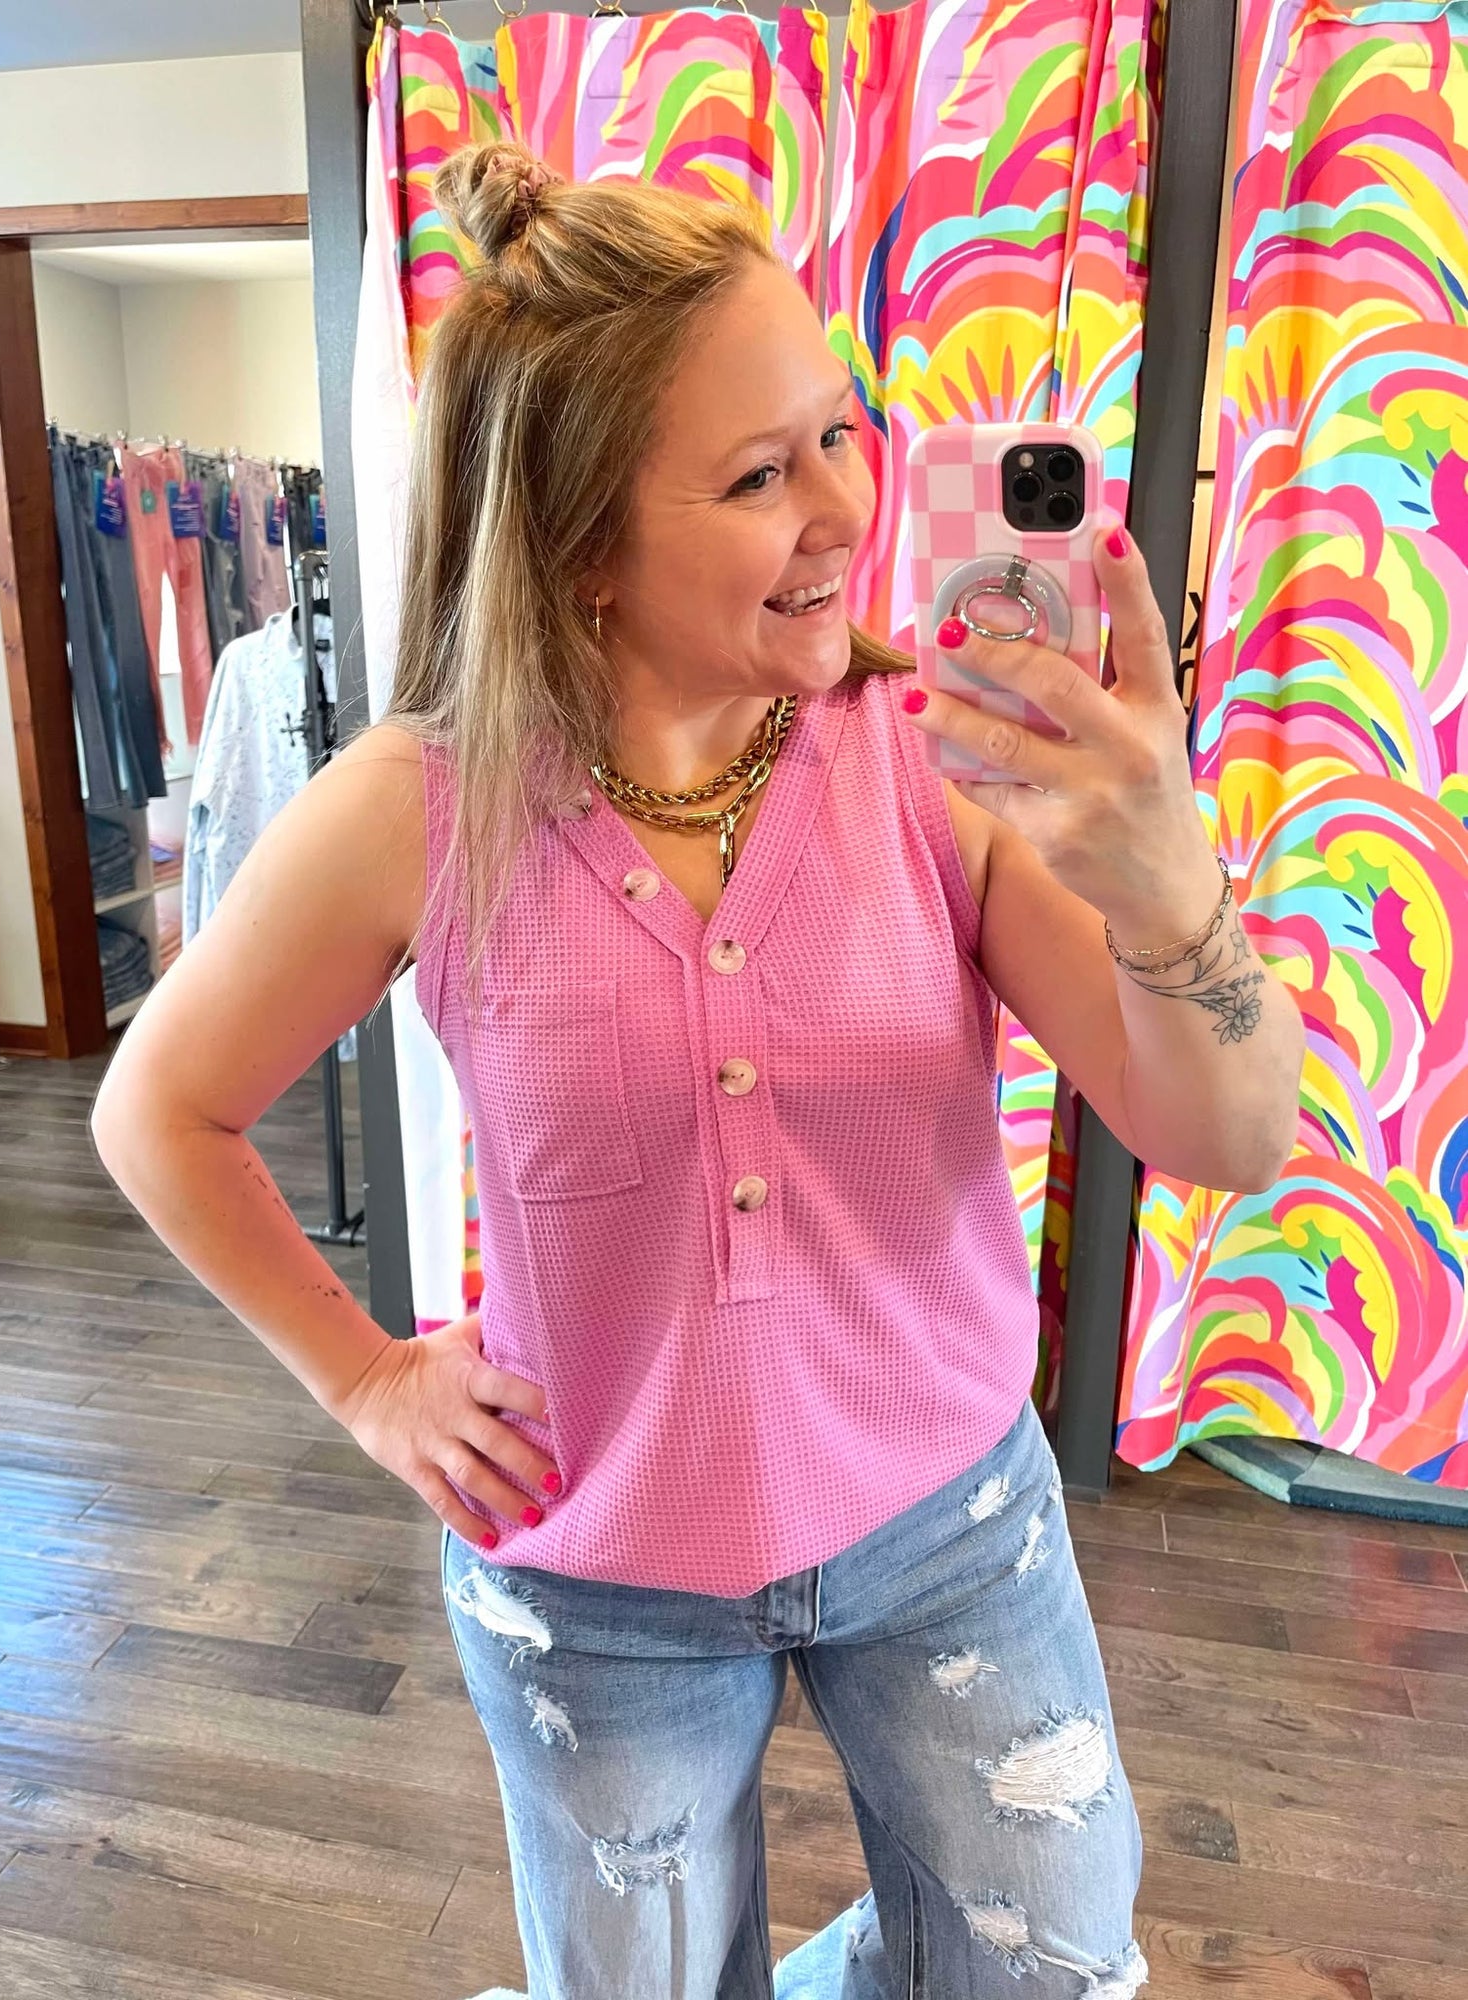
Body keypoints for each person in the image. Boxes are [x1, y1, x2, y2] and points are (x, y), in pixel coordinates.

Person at [92, 141, 1302, 2000]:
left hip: (949, 1524)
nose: (843, 507)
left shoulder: (937, 756)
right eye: (758, 475)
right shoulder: (418, 811)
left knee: (1051, 1968)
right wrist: (367, 1380)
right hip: (596, 1580)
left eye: (838, 433)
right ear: (577, 542)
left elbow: (1227, 1130)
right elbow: (157, 1113)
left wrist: (1168, 890)